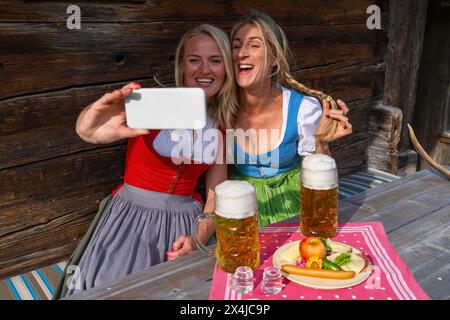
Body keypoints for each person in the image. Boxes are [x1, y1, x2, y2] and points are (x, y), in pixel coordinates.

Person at [54, 24, 238, 298]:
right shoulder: (152, 103)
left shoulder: (222, 126)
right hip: (131, 222)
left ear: (227, 68)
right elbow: (88, 129)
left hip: (186, 225)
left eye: (215, 60)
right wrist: (89, 124)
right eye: (194, 60)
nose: (204, 70)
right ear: (181, 64)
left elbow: (216, 194)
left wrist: (199, 236)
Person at [228, 10, 353, 227]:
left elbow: (318, 172)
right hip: (240, 210)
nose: (241, 53)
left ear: (274, 58)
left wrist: (321, 142)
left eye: (254, 45)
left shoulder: (302, 108)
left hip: (291, 208)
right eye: (236, 45)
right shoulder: (223, 108)